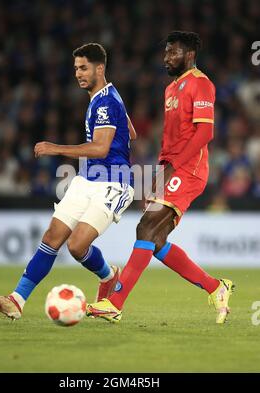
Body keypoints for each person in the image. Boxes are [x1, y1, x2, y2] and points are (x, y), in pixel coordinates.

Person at [87, 31, 235, 324]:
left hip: (190, 168)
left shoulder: (201, 84)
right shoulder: (170, 89)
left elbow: (205, 132)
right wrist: (160, 172)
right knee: (154, 241)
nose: (166, 58)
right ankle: (215, 287)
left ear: (189, 55)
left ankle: (114, 303)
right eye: (165, 53)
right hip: (171, 168)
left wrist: (173, 167)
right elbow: (171, 141)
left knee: (146, 227)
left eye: (173, 52)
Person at [0, 43, 136, 320]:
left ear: (100, 68)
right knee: (52, 237)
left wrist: (55, 148)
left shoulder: (106, 101)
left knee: (76, 246)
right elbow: (131, 133)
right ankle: (16, 301)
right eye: (76, 68)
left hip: (113, 183)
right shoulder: (106, 96)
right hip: (88, 178)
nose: (78, 73)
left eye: (84, 67)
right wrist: (120, 133)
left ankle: (108, 276)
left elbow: (100, 149)